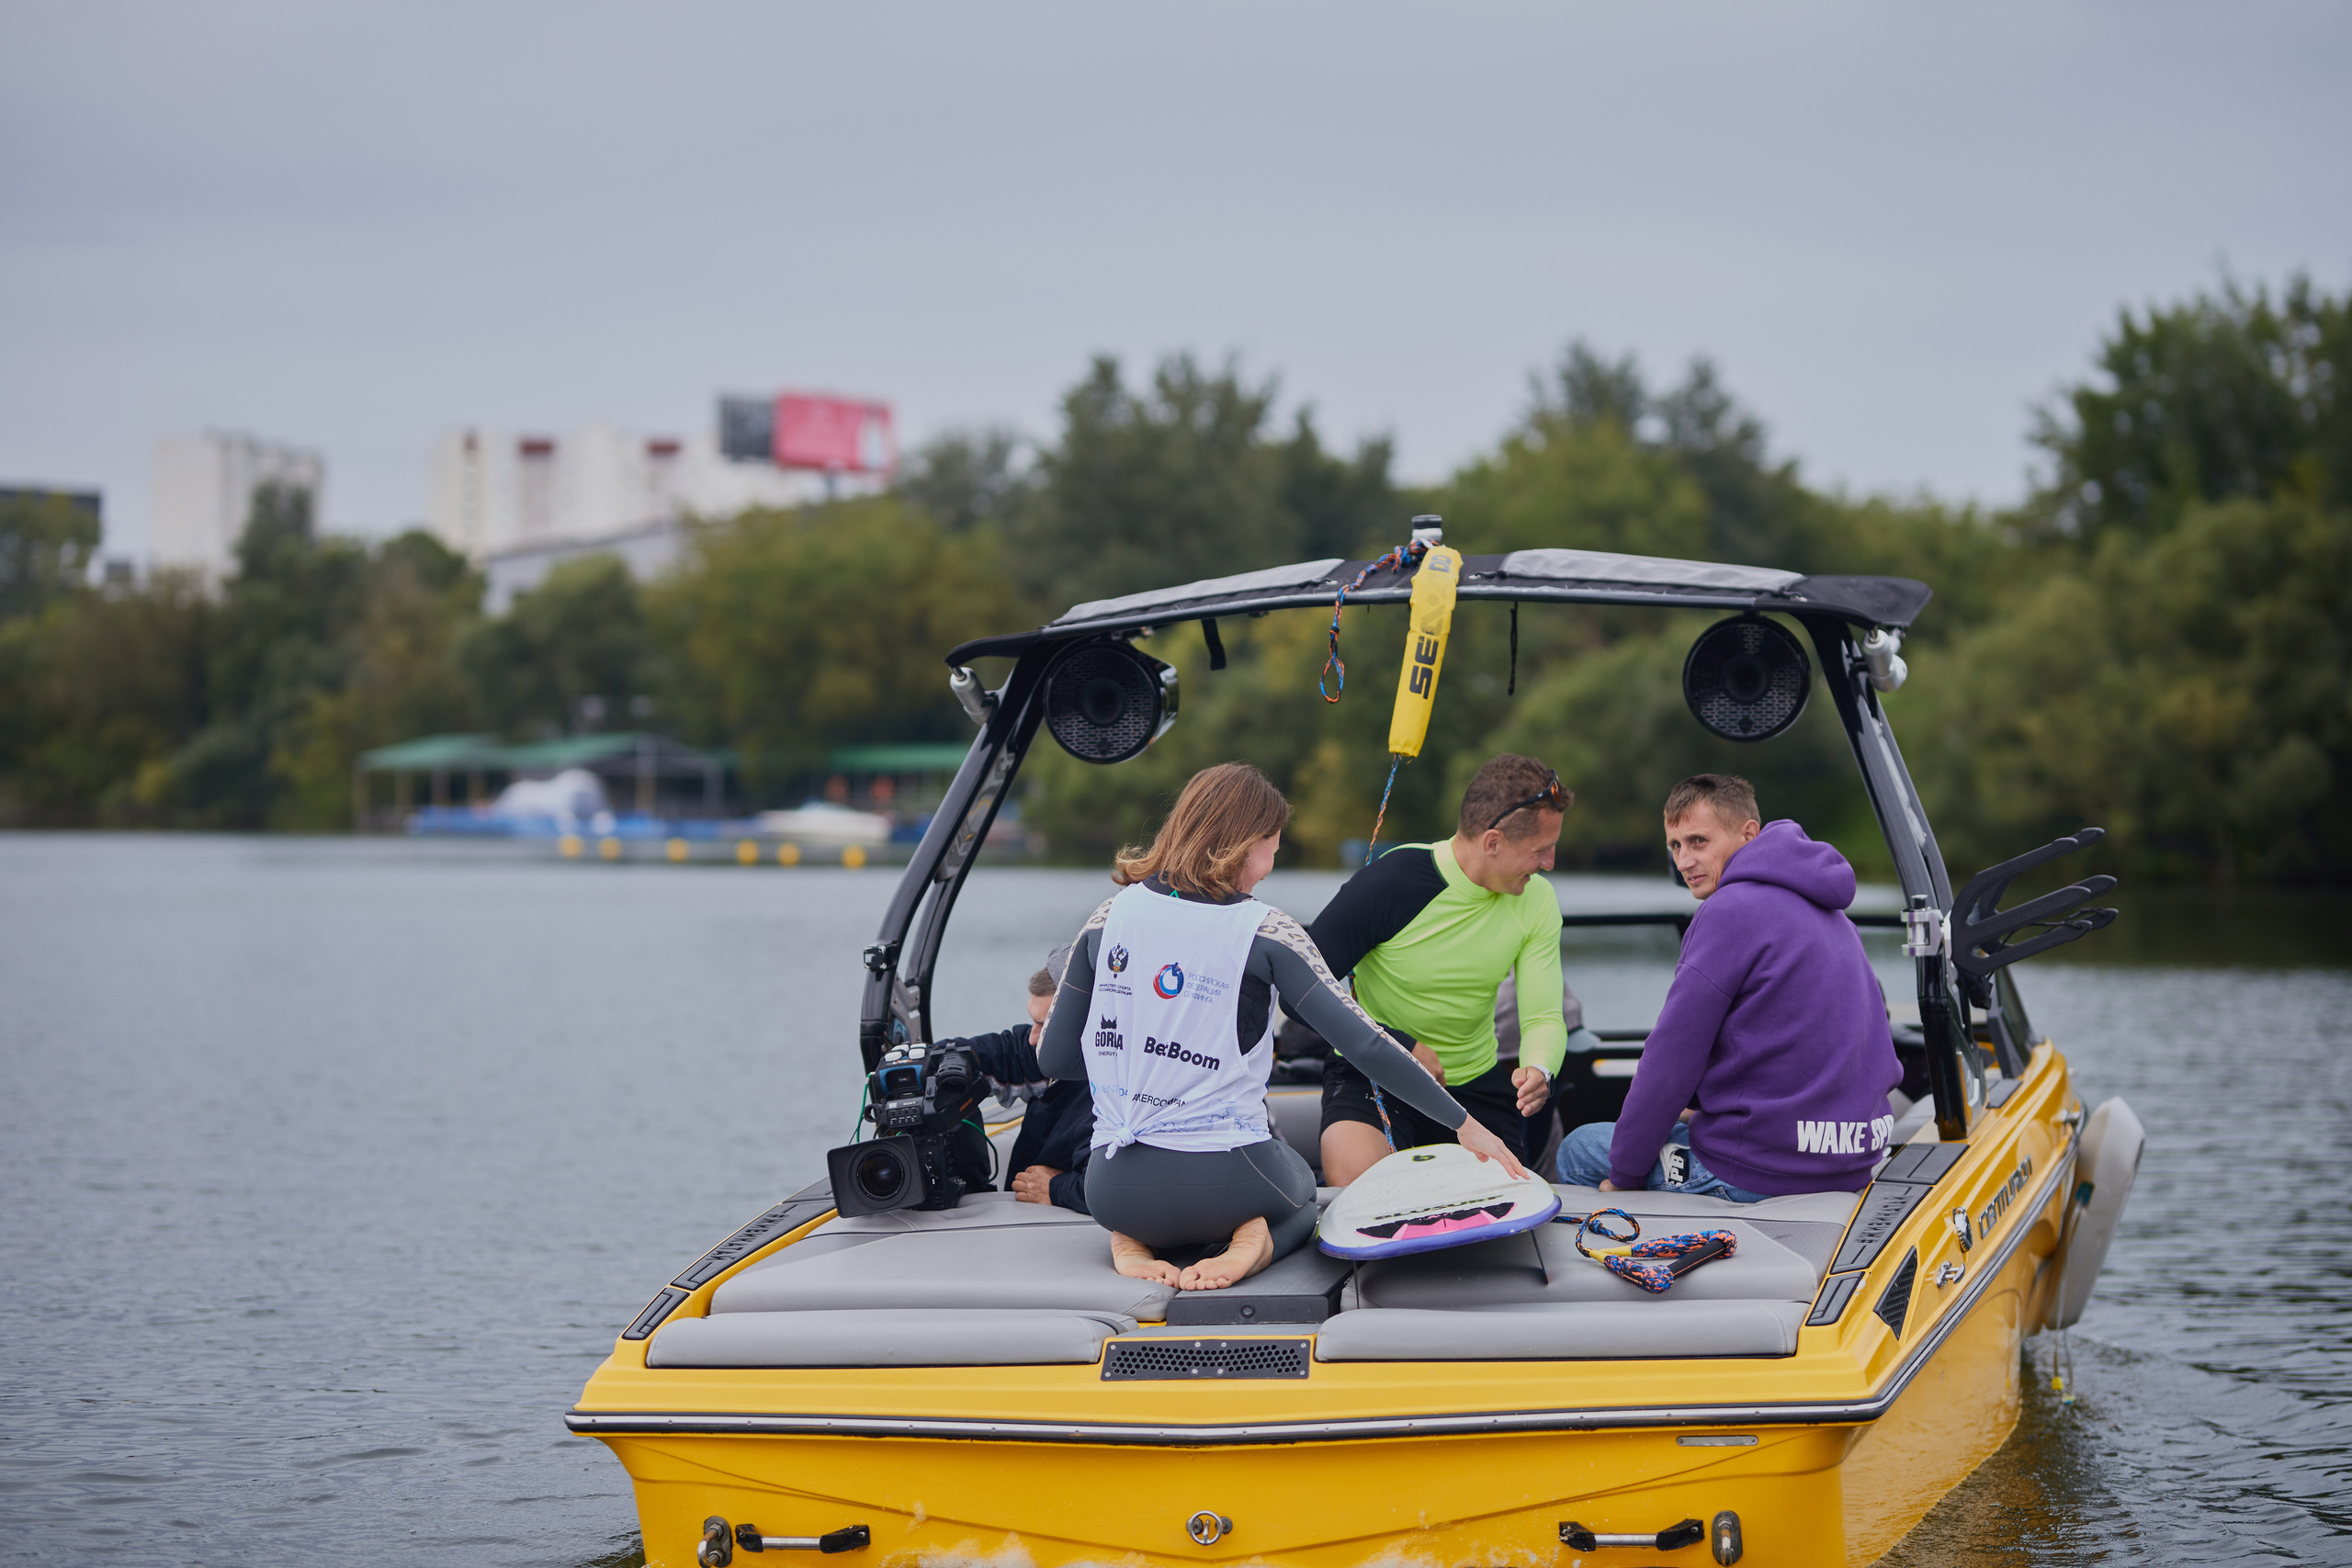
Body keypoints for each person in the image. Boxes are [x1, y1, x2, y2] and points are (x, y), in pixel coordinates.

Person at [1037, 761, 1528, 1292]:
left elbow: (1056, 1061)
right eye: (1273, 844)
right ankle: (1255, 1242)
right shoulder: (1266, 930)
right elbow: (1364, 1042)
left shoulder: (1107, 917)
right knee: (1303, 1194)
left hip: (1111, 1188)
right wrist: (1465, 1125)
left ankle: (1129, 1239)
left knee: (1150, 1196)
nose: (1271, 864)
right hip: (1230, 1183)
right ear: (1245, 843)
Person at [1554, 773, 1903, 1200]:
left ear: (1748, 834)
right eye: (1675, 846)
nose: (1683, 861)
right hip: (1849, 1159)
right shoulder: (1833, 912)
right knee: (1677, 1118)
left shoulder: (1729, 910)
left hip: (1762, 1170)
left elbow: (1670, 1060)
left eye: (1698, 841)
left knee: (1578, 1149)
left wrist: (1624, 1176)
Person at [1308, 754, 1575, 1186]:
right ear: (1493, 843)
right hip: (1372, 1073)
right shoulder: (1390, 882)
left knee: (1504, 1213)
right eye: (1541, 850)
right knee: (1362, 1194)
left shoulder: (1538, 900)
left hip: (1473, 1087)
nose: (1549, 863)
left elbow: (1543, 1016)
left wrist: (1540, 1068)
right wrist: (1397, 1046)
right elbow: (1301, 993)